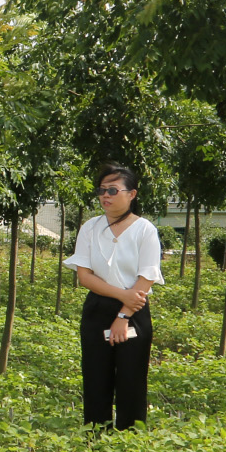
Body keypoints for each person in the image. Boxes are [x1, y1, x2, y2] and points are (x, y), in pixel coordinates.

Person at [63, 163, 162, 430]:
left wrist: (124, 315)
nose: (105, 195)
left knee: (132, 379)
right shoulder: (91, 227)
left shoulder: (145, 230)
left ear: (132, 194)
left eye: (113, 190)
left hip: (135, 312)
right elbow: (85, 276)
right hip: (97, 308)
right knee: (96, 377)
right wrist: (123, 297)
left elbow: (147, 276)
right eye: (102, 190)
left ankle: (129, 444)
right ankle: (96, 441)